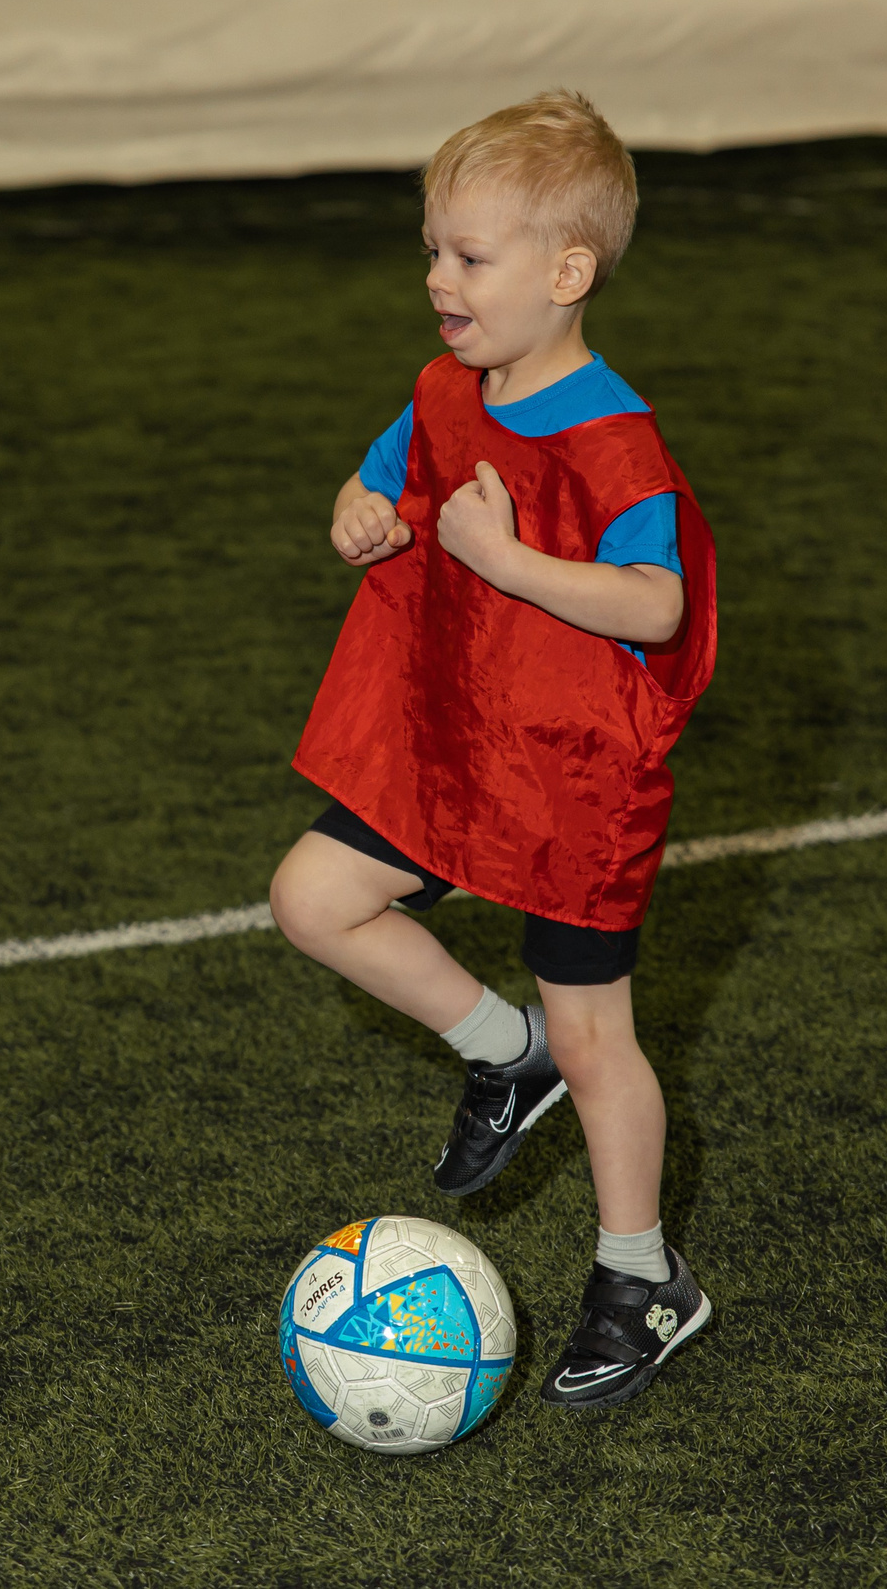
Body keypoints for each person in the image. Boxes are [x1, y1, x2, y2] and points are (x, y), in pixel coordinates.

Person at [270, 88, 719, 1412]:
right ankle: (492, 1048)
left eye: (469, 258)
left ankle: (640, 1274)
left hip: (577, 777)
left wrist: (511, 562)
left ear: (567, 274)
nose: (436, 280)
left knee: (598, 1043)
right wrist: (364, 511)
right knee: (314, 899)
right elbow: (394, 469)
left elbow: (658, 604)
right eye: (431, 250)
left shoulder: (612, 441)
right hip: (459, 743)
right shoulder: (447, 387)